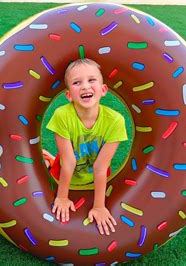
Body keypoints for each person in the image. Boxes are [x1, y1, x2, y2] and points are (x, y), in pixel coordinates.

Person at [46, 58, 127, 235]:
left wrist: (99, 206)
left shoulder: (116, 121)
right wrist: (62, 197)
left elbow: (100, 167)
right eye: (77, 83)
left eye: (91, 80)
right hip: (63, 174)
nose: (85, 86)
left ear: (103, 89)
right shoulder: (62, 115)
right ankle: (49, 161)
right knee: (60, 162)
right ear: (69, 95)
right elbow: (68, 162)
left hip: (95, 177)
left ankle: (49, 158)